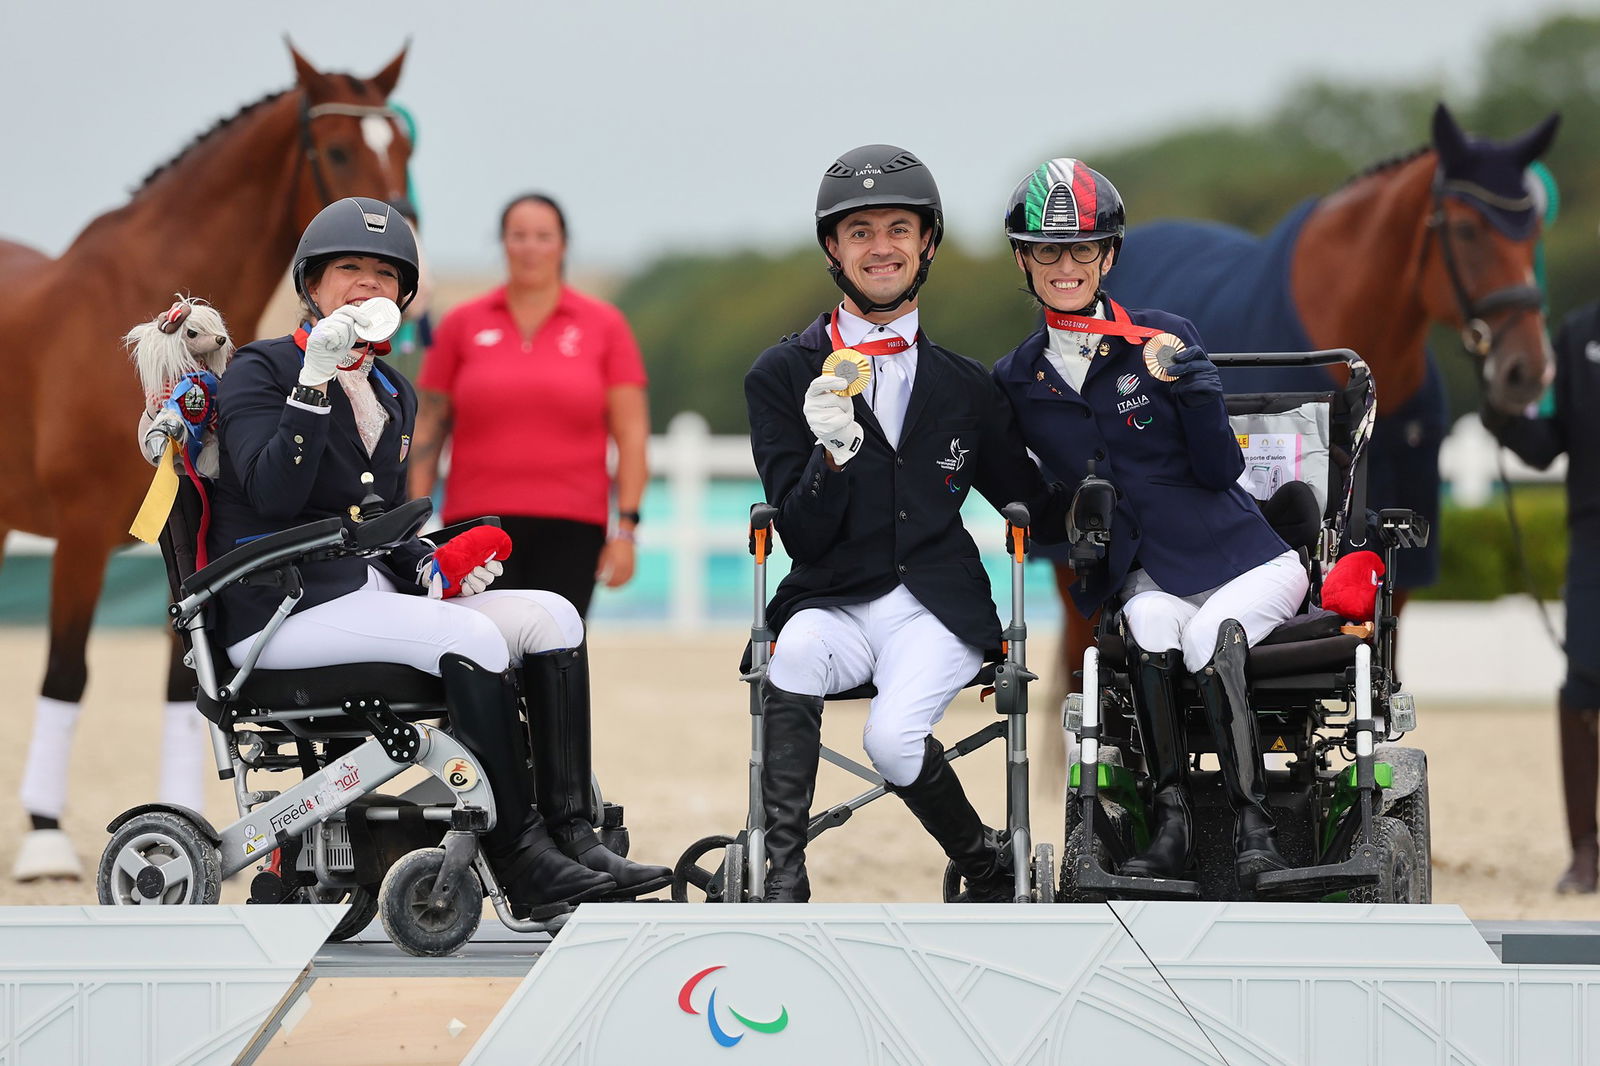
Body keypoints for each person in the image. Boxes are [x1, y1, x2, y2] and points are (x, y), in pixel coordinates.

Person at [210, 196, 671, 909]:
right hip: (278, 608)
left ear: (402, 296)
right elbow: (271, 495)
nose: (368, 285)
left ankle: (573, 833)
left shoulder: (392, 389)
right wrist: (313, 384)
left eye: (385, 276)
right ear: (312, 284)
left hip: (358, 594)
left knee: (553, 618)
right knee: (470, 635)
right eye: (349, 270)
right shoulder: (261, 369)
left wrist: (432, 565)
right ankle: (520, 860)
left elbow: (378, 527)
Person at [743, 145, 1069, 903]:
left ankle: (984, 860)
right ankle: (782, 877)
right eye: (860, 231)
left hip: (934, 605)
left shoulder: (966, 385)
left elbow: (1031, 501)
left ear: (927, 243)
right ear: (833, 247)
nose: (880, 246)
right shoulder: (782, 373)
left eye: (898, 228)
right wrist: (834, 453)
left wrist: (1111, 484)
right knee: (788, 656)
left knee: (890, 738)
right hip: (830, 596)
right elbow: (801, 532)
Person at [990, 159, 1309, 892]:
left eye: (1082, 250)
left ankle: (1254, 826)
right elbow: (1022, 493)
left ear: (1108, 255)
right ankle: (1172, 824)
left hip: (1243, 561)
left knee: (1203, 637)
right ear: (1022, 259)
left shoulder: (1162, 338)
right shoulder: (1016, 379)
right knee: (1151, 632)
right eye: (1047, 249)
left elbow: (1220, 472)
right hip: (1147, 573)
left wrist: (1201, 400)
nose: (1065, 266)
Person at [409, 193, 647, 619]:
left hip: (573, 526)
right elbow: (428, 428)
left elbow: (631, 436)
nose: (530, 247)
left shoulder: (604, 325)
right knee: (482, 650)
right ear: (502, 243)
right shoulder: (461, 324)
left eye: (543, 236)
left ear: (563, 244)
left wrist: (626, 530)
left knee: (557, 655)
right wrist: (411, 526)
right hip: (475, 523)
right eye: (518, 235)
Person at [1482, 298, 1600, 894]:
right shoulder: (1580, 334)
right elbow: (1547, 443)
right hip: (1594, 535)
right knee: (1583, 681)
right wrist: (1499, 410)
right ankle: (1585, 851)